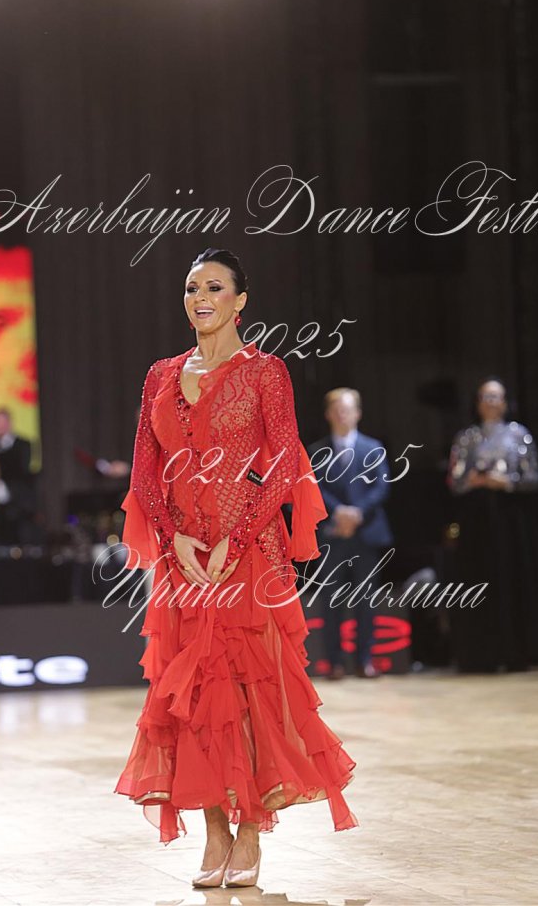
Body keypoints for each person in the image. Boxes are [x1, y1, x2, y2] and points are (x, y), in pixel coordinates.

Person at [114, 248, 357, 888]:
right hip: (185, 563)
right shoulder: (161, 375)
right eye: (192, 287)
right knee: (195, 698)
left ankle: (249, 831)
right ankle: (215, 833)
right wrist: (173, 538)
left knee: (251, 694)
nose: (201, 298)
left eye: (214, 287)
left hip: (248, 558)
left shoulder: (266, 373)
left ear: (240, 301)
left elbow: (283, 464)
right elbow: (144, 471)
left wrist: (236, 537)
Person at [446, 378, 538, 672]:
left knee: (511, 579)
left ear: (505, 402)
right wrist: (473, 481)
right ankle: (480, 655)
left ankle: (515, 652)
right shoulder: (466, 437)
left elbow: (534, 478)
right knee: (478, 581)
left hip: (509, 518)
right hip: (477, 521)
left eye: (496, 396)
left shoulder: (519, 434)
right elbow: (454, 481)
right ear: (477, 403)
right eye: (485, 397)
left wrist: (507, 483)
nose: (490, 402)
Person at [307, 388, 393, 680]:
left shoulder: (373, 448)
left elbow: (381, 487)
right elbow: (314, 487)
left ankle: (364, 660)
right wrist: (339, 512)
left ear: (358, 413)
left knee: (366, 599)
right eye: (336, 409)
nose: (342, 414)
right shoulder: (317, 451)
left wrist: (357, 513)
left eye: (347, 409)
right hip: (333, 535)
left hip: (366, 533)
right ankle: (334, 662)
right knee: (331, 599)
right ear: (328, 414)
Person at [0, 407, 35, 545]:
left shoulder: (22, 444)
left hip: (16, 501)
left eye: (1, 422)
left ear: (9, 423)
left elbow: (22, 470)